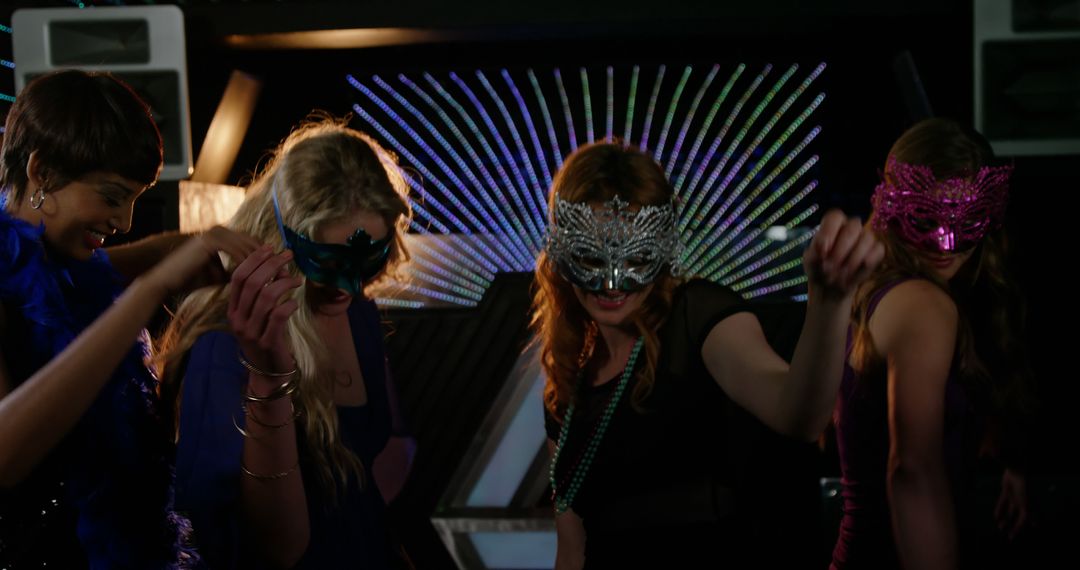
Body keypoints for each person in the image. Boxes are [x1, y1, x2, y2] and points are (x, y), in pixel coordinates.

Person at [535, 140, 884, 568]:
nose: (612, 284)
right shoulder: (569, 379)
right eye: (589, 256)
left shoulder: (697, 316)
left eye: (637, 257)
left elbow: (799, 415)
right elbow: (571, 548)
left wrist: (829, 303)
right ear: (559, 249)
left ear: (664, 249)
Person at [0, 69, 257, 567]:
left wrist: (174, 250)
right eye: (113, 196)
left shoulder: (66, 272)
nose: (124, 222)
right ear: (42, 172)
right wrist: (150, 290)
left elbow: (70, 282)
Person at [160, 117, 416, 569]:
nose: (349, 284)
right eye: (328, 260)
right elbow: (259, 545)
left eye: (368, 258)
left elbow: (390, 445)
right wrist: (270, 374)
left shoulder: (358, 312)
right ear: (283, 236)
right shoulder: (225, 345)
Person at [830, 118, 1032, 570]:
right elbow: (912, 470)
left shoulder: (867, 292)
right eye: (927, 218)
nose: (945, 242)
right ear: (892, 206)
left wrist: (1009, 461)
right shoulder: (923, 305)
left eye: (967, 221)